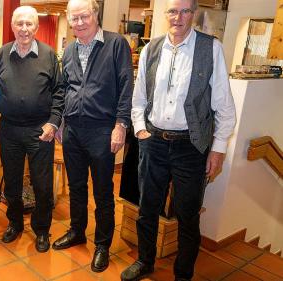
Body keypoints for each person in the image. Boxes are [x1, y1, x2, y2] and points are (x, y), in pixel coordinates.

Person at [121, 0, 236, 280]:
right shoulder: (152, 48)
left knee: (187, 214)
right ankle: (145, 261)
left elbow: (224, 107)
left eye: (185, 11)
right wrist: (140, 130)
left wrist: (218, 150)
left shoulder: (211, 49)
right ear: (165, 14)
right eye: (173, 10)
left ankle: (183, 273)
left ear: (193, 14)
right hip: (154, 142)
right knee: (147, 209)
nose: (178, 17)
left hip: (191, 146)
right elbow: (139, 99)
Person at [51, 0, 133, 273]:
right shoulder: (70, 48)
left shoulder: (116, 44)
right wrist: (60, 121)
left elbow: (125, 87)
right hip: (73, 129)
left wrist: (121, 124)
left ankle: (102, 244)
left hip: (102, 130)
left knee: (102, 192)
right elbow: (65, 87)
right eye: (74, 18)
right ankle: (77, 231)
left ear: (95, 15)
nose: (79, 22)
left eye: (84, 16)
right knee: (76, 187)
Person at [0, 6, 64, 253]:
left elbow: (59, 92)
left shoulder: (49, 55)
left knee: (42, 185)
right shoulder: (2, 54)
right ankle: (15, 224)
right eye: (19, 23)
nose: (24, 29)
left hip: (39, 131)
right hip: (9, 130)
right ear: (12, 26)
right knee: (11, 184)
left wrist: (53, 122)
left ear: (36, 27)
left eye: (29, 24)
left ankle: (42, 229)